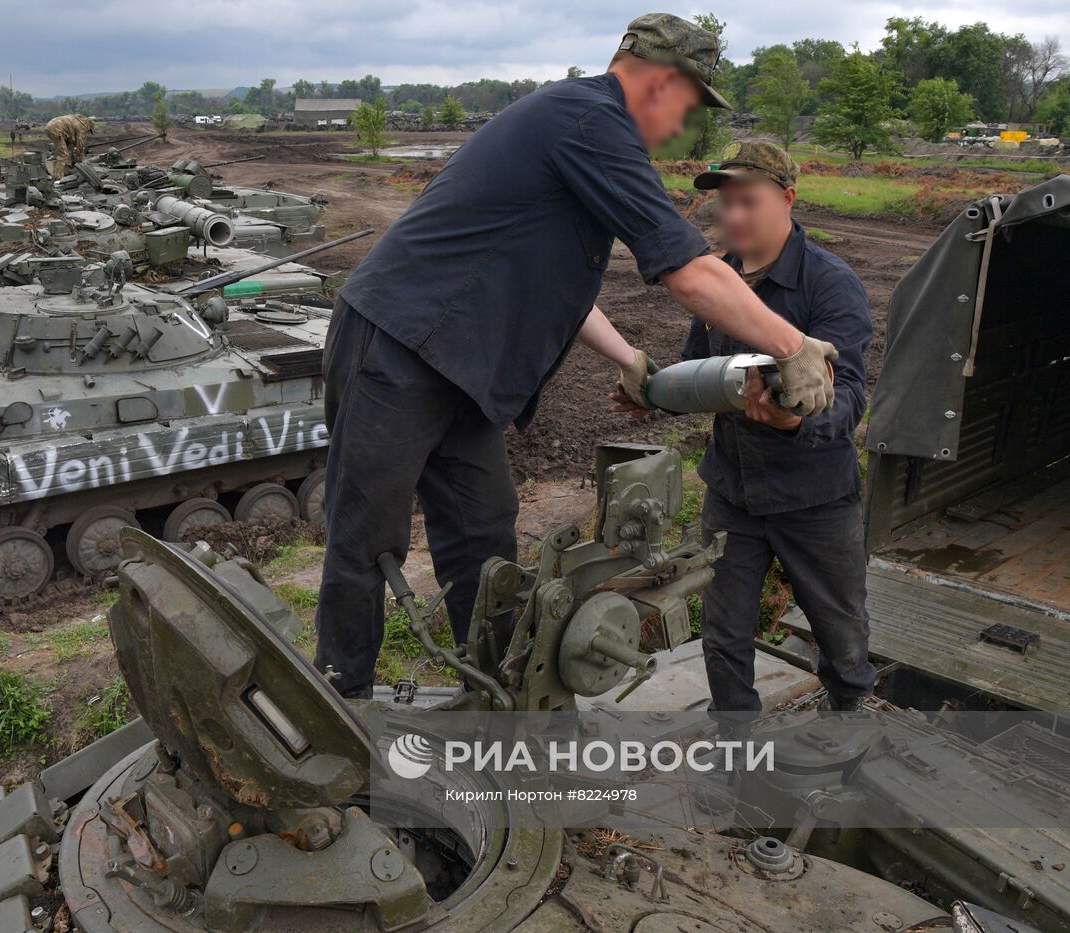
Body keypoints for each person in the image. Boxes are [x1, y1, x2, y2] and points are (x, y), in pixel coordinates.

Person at [313, 13, 840, 699]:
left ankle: (497, 696)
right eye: (688, 100)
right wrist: (790, 344)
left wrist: (629, 357)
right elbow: (686, 267)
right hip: (396, 345)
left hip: (464, 372)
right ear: (659, 80)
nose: (685, 121)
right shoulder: (587, 120)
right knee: (367, 538)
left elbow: (559, 284)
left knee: (483, 533)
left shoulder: (587, 131)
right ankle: (340, 705)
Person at [613, 141, 877, 712]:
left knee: (842, 636)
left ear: (786, 198)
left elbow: (850, 400)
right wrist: (654, 392)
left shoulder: (830, 285)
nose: (732, 217)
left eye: (747, 202)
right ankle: (734, 755)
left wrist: (790, 421)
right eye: (724, 203)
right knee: (724, 638)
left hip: (815, 501)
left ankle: (851, 726)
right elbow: (701, 374)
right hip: (733, 495)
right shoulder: (720, 281)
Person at [44, 114, 96, 178]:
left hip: (51, 127)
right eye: (89, 131)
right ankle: (57, 177)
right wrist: (79, 159)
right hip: (56, 129)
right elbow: (80, 144)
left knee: (69, 149)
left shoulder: (77, 120)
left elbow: (71, 140)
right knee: (63, 155)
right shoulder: (83, 126)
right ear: (89, 126)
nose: (87, 132)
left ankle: (66, 171)